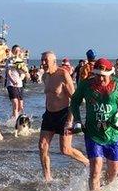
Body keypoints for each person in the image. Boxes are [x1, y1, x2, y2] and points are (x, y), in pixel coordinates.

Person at [69, 58, 118, 191]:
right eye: (97, 75)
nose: (100, 79)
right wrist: (77, 120)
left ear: (110, 74)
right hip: (93, 134)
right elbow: (75, 101)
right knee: (95, 170)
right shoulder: (86, 85)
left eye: (103, 76)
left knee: (113, 174)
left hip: (113, 134)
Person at [38, 51, 89, 181]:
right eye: (42, 60)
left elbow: (75, 100)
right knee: (42, 146)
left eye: (46, 60)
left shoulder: (63, 75)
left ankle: (88, 163)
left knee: (65, 150)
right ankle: (47, 178)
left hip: (64, 115)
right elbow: (49, 96)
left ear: (54, 61)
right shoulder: (45, 76)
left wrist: (69, 120)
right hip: (49, 115)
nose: (43, 63)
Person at [5, 45, 27, 121]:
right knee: (15, 104)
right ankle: (15, 123)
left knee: (21, 106)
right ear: (13, 51)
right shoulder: (9, 60)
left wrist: (21, 77)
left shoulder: (21, 61)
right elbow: (8, 72)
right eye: (15, 50)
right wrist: (12, 81)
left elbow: (24, 73)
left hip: (20, 85)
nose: (17, 51)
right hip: (11, 84)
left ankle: (12, 119)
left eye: (18, 50)